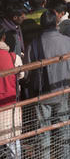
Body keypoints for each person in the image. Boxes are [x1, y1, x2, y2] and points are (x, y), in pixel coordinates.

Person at [24, 10, 70, 159]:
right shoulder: (69, 42)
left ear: (41, 25)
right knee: (64, 130)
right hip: (63, 92)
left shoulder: (33, 45)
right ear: (56, 23)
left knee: (43, 133)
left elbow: (27, 74)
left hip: (42, 95)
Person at [0, 29, 22, 158]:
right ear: (3, 37)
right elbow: (22, 75)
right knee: (13, 143)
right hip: (9, 105)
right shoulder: (14, 57)